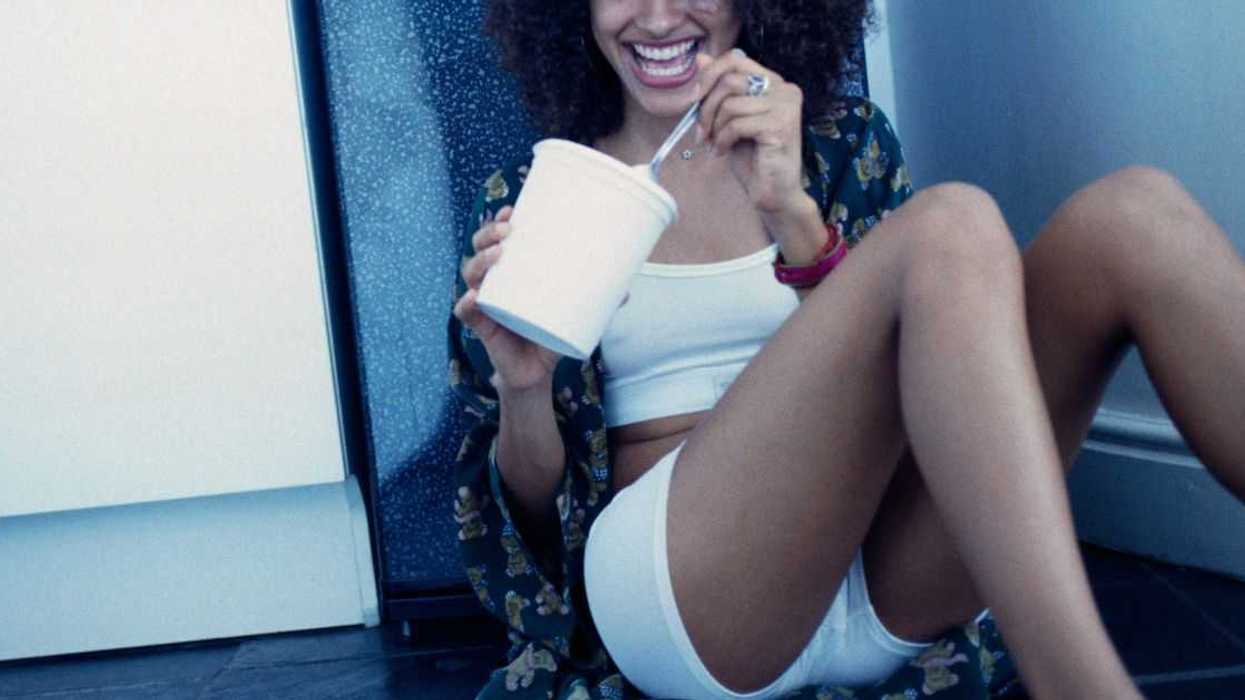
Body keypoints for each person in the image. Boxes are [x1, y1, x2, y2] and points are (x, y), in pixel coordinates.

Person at [448, 1, 1245, 698]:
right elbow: (531, 524)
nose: (658, 17)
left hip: (885, 569)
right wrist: (523, 387)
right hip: (690, 604)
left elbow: (915, 377)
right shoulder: (544, 196)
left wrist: (790, 209)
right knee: (951, 221)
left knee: (1134, 216)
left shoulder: (840, 145)